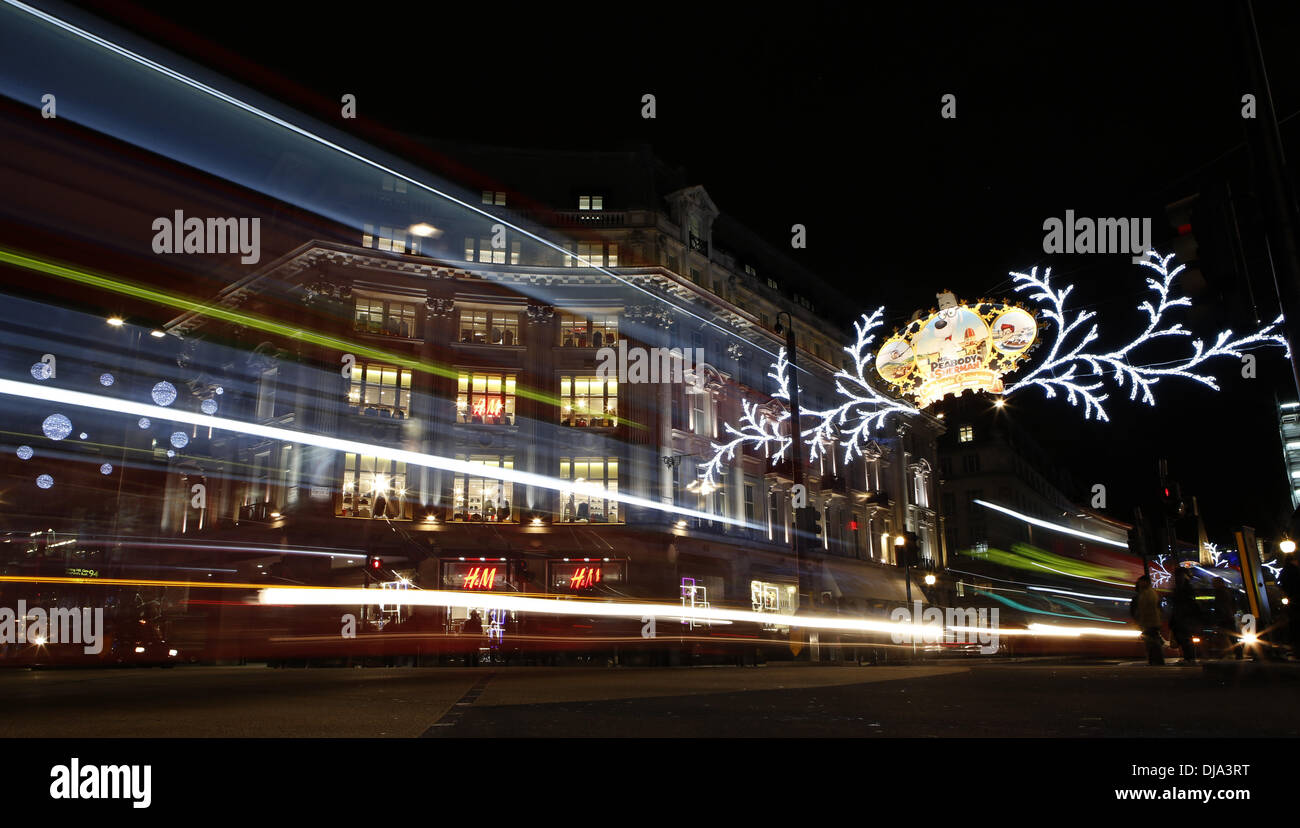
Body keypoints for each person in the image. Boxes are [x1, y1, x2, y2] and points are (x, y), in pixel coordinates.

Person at [1169, 567, 1199, 664]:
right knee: (1184, 637)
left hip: (1183, 615)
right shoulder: (1186, 586)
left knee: (1185, 637)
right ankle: (1189, 657)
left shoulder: (1183, 587)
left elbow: (1182, 602)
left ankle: (1189, 658)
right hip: (1184, 615)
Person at [1133, 575, 1165, 666]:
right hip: (1151, 621)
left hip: (1151, 622)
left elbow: (1147, 609)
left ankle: (1156, 661)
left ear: (1145, 582)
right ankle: (1155, 661)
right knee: (1151, 641)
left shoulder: (1148, 593)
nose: (1139, 584)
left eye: (1141, 582)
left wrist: (1141, 620)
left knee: (1152, 642)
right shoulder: (1147, 593)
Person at [1212, 577, 1242, 660]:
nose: (1213, 585)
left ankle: (1224, 653)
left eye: (1214, 583)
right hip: (1228, 617)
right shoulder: (1228, 591)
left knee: (1223, 636)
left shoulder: (1220, 592)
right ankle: (1237, 653)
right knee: (1231, 636)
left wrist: (1221, 615)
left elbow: (1221, 605)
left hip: (1224, 617)